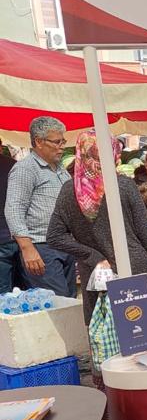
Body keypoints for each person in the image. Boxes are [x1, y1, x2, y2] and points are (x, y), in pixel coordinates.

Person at [47, 131, 147, 324]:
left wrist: (93, 256)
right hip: (135, 270)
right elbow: (146, 233)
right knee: (144, 334)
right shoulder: (123, 185)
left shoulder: (69, 190)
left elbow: (54, 236)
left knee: (104, 336)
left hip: (96, 274)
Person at [5, 116, 76, 297]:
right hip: (42, 248)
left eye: (63, 141)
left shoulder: (60, 168)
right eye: (57, 141)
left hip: (65, 246)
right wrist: (27, 248)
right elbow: (14, 209)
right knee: (58, 306)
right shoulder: (25, 169)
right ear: (38, 141)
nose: (62, 146)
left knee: (70, 303)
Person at [0, 139, 22, 293]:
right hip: (21, 235)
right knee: (25, 291)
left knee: (3, 293)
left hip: (5, 238)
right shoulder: (15, 165)